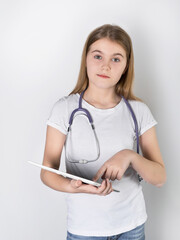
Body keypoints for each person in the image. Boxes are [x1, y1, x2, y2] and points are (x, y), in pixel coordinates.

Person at [40, 24, 166, 240]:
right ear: (86, 59)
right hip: (85, 231)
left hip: (132, 228)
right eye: (98, 56)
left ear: (126, 66)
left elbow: (159, 178)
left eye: (116, 59)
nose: (106, 66)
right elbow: (47, 171)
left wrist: (130, 156)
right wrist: (72, 186)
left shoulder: (138, 111)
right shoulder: (65, 109)